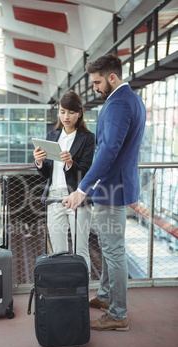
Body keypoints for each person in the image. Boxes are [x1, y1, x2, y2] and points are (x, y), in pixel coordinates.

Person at [62, 54, 146, 331]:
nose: (95, 88)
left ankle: (118, 315)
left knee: (113, 251)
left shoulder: (119, 103)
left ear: (112, 77)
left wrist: (83, 188)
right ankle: (108, 298)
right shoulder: (132, 99)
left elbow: (109, 150)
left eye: (98, 82)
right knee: (112, 250)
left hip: (112, 188)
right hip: (119, 185)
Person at [33, 91, 96, 275]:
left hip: (77, 197)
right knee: (58, 251)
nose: (66, 116)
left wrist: (70, 163)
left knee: (80, 250)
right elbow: (47, 172)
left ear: (79, 113)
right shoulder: (53, 136)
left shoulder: (87, 138)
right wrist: (38, 162)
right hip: (54, 197)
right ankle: (63, 294)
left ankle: (81, 294)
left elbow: (86, 171)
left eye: (70, 112)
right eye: (62, 112)